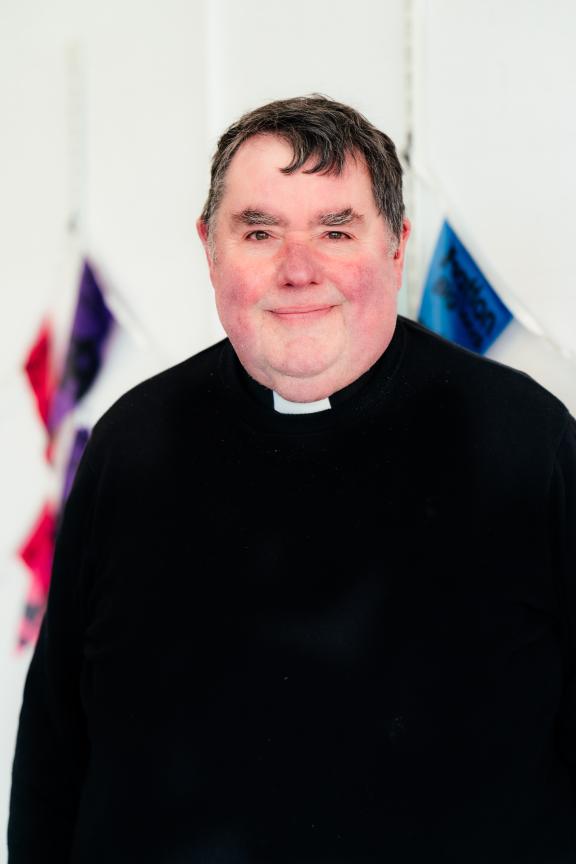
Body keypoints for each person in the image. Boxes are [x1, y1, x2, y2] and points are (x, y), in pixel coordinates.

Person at [8, 95, 576, 863]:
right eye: (260, 231)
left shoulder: (526, 441)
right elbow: (53, 752)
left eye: (336, 231)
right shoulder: (128, 446)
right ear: (210, 248)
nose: (299, 269)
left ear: (396, 247)